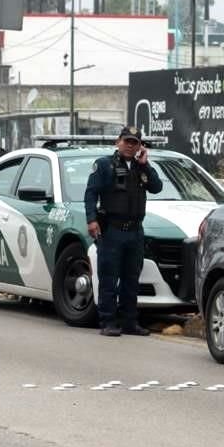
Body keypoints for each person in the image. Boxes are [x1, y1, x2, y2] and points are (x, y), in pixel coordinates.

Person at [84, 126, 163, 337]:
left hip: (135, 231)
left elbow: (157, 187)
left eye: (134, 142)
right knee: (109, 278)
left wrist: (145, 165)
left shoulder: (141, 167)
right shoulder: (104, 165)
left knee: (131, 279)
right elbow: (91, 194)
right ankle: (108, 321)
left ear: (140, 146)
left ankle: (129, 321)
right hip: (112, 230)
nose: (130, 145)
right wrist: (92, 220)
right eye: (126, 141)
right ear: (118, 142)